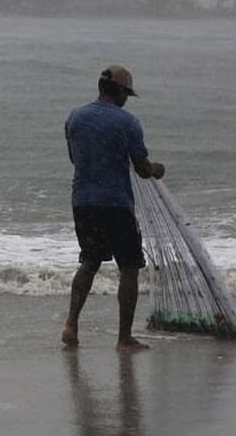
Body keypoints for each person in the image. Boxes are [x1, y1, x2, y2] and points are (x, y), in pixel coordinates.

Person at [61, 65, 165, 352]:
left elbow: (74, 159)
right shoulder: (128, 122)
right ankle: (124, 338)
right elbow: (143, 169)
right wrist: (158, 169)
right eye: (127, 94)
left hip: (82, 202)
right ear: (119, 91)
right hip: (116, 204)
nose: (127, 99)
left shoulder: (75, 118)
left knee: (89, 263)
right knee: (129, 267)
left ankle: (70, 326)